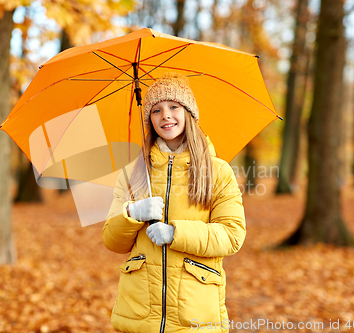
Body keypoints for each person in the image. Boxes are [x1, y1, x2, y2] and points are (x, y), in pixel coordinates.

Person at [102, 72, 246, 333]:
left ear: (189, 113)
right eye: (156, 110)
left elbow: (232, 235)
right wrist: (133, 213)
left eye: (174, 107)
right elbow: (112, 241)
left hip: (195, 314)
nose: (165, 115)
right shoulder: (133, 173)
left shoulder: (217, 171)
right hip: (140, 313)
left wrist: (174, 233)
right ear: (149, 120)